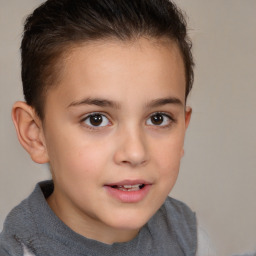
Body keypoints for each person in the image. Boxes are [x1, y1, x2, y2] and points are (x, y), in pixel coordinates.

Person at [0, 0, 215, 255]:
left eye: (158, 118)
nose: (135, 153)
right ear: (35, 134)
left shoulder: (194, 238)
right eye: (96, 119)